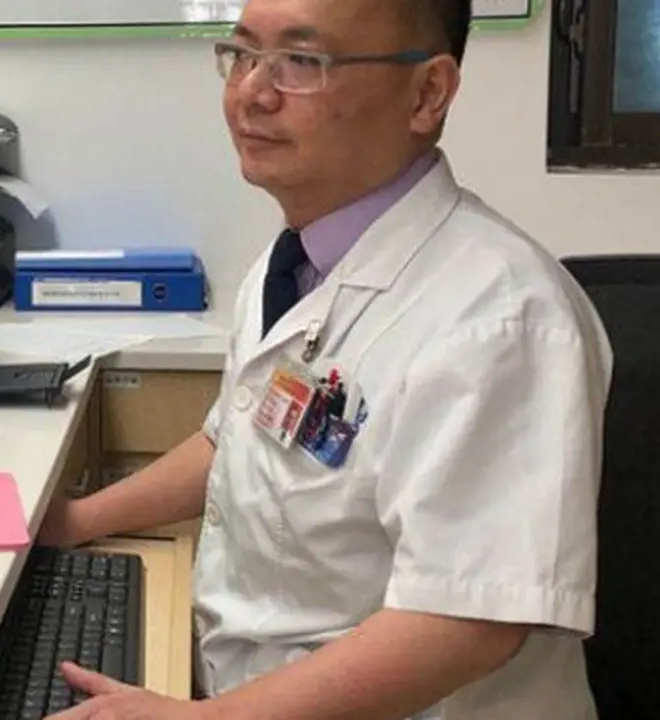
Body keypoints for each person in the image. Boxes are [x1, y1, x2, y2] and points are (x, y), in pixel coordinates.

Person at [39, 0, 614, 718]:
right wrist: (76, 521)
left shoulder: (501, 319)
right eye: (243, 54)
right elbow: (236, 442)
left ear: (428, 93)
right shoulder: (296, 263)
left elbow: (467, 624)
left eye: (302, 62)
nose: (253, 92)